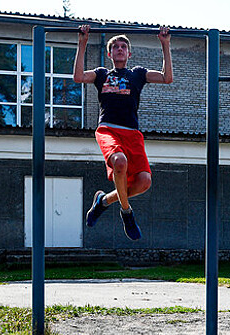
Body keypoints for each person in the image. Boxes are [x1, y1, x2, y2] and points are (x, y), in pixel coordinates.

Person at [73, 25, 173, 240]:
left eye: (123, 46)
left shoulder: (137, 73)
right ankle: (126, 212)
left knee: (144, 181)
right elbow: (79, 76)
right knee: (119, 162)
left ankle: (104, 201)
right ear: (109, 54)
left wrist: (165, 44)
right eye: (115, 47)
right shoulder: (101, 74)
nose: (119, 49)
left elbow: (167, 78)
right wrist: (82, 43)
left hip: (132, 133)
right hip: (108, 129)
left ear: (129, 53)